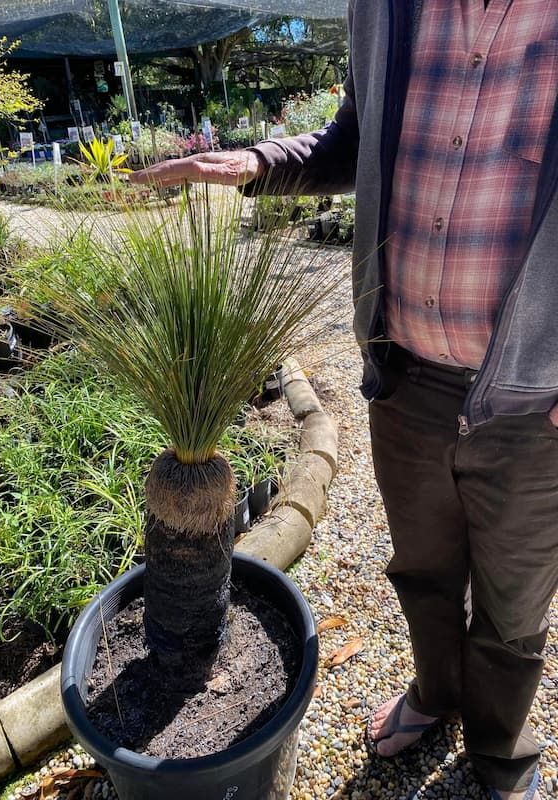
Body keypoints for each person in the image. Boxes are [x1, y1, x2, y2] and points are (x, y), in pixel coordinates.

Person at [131, 2, 558, 798]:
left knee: (513, 606)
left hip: (538, 403)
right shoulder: (390, 10)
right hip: (409, 378)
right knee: (424, 571)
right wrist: (253, 162)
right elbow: (352, 143)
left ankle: (501, 749)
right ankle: (434, 697)